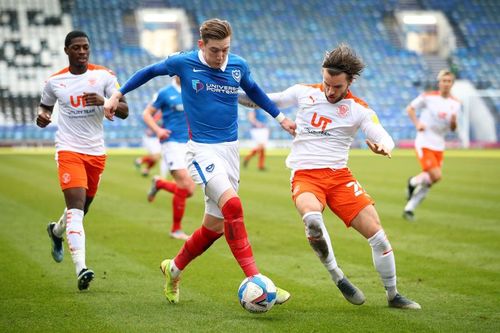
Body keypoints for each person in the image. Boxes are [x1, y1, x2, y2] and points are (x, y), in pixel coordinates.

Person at [104, 18, 296, 305]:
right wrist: (117, 94)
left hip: (230, 151)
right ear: (201, 45)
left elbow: (254, 91)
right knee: (233, 205)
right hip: (201, 151)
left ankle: (174, 268)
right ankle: (257, 279)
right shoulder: (184, 63)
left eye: (225, 50)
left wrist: (280, 118)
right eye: (215, 50)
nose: (221, 57)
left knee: (214, 228)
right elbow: (149, 71)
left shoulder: (238, 66)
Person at [239, 43, 420, 309]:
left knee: (379, 236)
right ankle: (338, 276)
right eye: (326, 84)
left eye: (337, 87)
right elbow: (263, 99)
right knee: (312, 219)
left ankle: (393, 295)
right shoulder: (304, 93)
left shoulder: (359, 109)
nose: (330, 91)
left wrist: (385, 146)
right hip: (305, 177)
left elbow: (380, 132)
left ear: (350, 81)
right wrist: (225, 92)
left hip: (340, 178)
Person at [36, 31, 128, 290]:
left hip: (96, 153)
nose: (82, 52)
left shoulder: (104, 77)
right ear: (67, 50)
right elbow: (45, 108)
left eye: (85, 47)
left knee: (82, 210)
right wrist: (41, 117)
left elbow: (125, 111)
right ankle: (81, 269)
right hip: (68, 150)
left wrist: (105, 101)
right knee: (76, 209)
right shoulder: (55, 82)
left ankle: (56, 231)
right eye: (76, 48)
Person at [403, 70, 459, 221]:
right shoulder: (428, 97)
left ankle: (410, 205)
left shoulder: (456, 103)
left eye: (449, 81)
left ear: (452, 84)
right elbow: (410, 108)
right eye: (444, 81)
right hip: (424, 141)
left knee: (432, 179)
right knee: (436, 175)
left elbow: (453, 128)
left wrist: (454, 123)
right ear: (439, 82)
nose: (446, 83)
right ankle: (412, 185)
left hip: (439, 144)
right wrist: (417, 124)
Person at [144, 76, 195, 240]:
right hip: (171, 143)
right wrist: (158, 131)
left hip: (191, 143)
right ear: (174, 73)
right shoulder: (165, 93)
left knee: (189, 190)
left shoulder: (195, 89)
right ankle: (176, 230)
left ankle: (159, 183)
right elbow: (147, 114)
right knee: (185, 184)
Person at [134, 111, 162, 177]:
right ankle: (142, 162)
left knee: (156, 157)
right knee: (156, 157)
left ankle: (144, 167)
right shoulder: (159, 114)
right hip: (150, 138)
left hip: (156, 138)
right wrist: (150, 129)